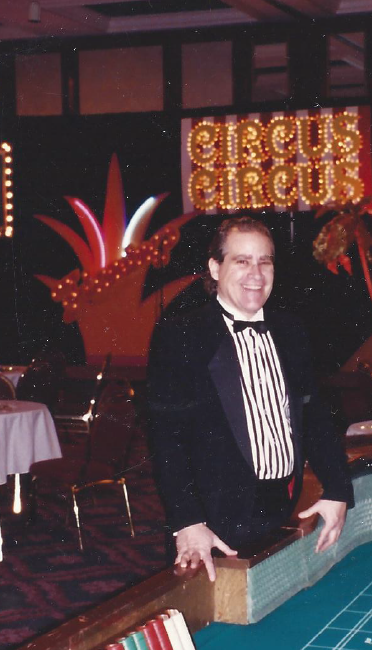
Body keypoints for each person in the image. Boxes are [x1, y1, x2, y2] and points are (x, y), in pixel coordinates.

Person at [147, 216, 354, 581]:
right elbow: (166, 440)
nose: (255, 274)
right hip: (212, 524)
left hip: (284, 512)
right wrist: (187, 521)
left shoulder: (291, 330)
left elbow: (316, 416)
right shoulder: (180, 335)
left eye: (265, 261)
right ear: (215, 267)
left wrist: (337, 489)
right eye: (241, 261)